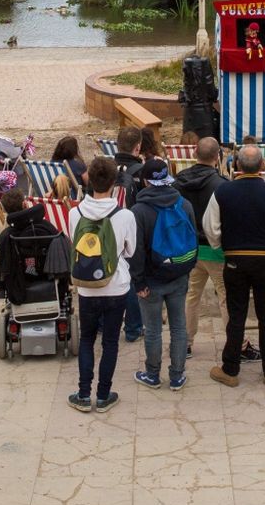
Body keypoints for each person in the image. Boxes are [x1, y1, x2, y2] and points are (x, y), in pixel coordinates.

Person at [203, 145, 265, 387]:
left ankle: (230, 369)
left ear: (237, 165)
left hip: (235, 259)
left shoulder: (223, 192)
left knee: (236, 315)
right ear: (262, 165)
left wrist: (221, 247)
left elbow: (210, 227)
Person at [70, 157, 137, 409]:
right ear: (114, 182)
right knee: (110, 341)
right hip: (116, 285)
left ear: (89, 179)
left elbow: (73, 242)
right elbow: (130, 251)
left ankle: (84, 394)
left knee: (87, 339)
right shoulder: (125, 216)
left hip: (87, 286)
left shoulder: (74, 213)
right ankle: (104, 394)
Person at [129, 159, 198, 390]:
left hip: (151, 280)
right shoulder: (184, 204)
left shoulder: (139, 211)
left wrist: (138, 282)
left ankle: (153, 374)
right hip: (179, 274)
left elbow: (136, 251)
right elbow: (192, 239)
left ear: (145, 181)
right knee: (179, 327)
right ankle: (177, 376)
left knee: (153, 330)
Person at [174, 137, 227, 358]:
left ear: (195, 153)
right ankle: (236, 342)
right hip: (214, 248)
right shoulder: (221, 185)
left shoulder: (178, 181)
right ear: (217, 157)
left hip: (189, 248)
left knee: (191, 296)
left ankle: (185, 342)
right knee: (226, 297)